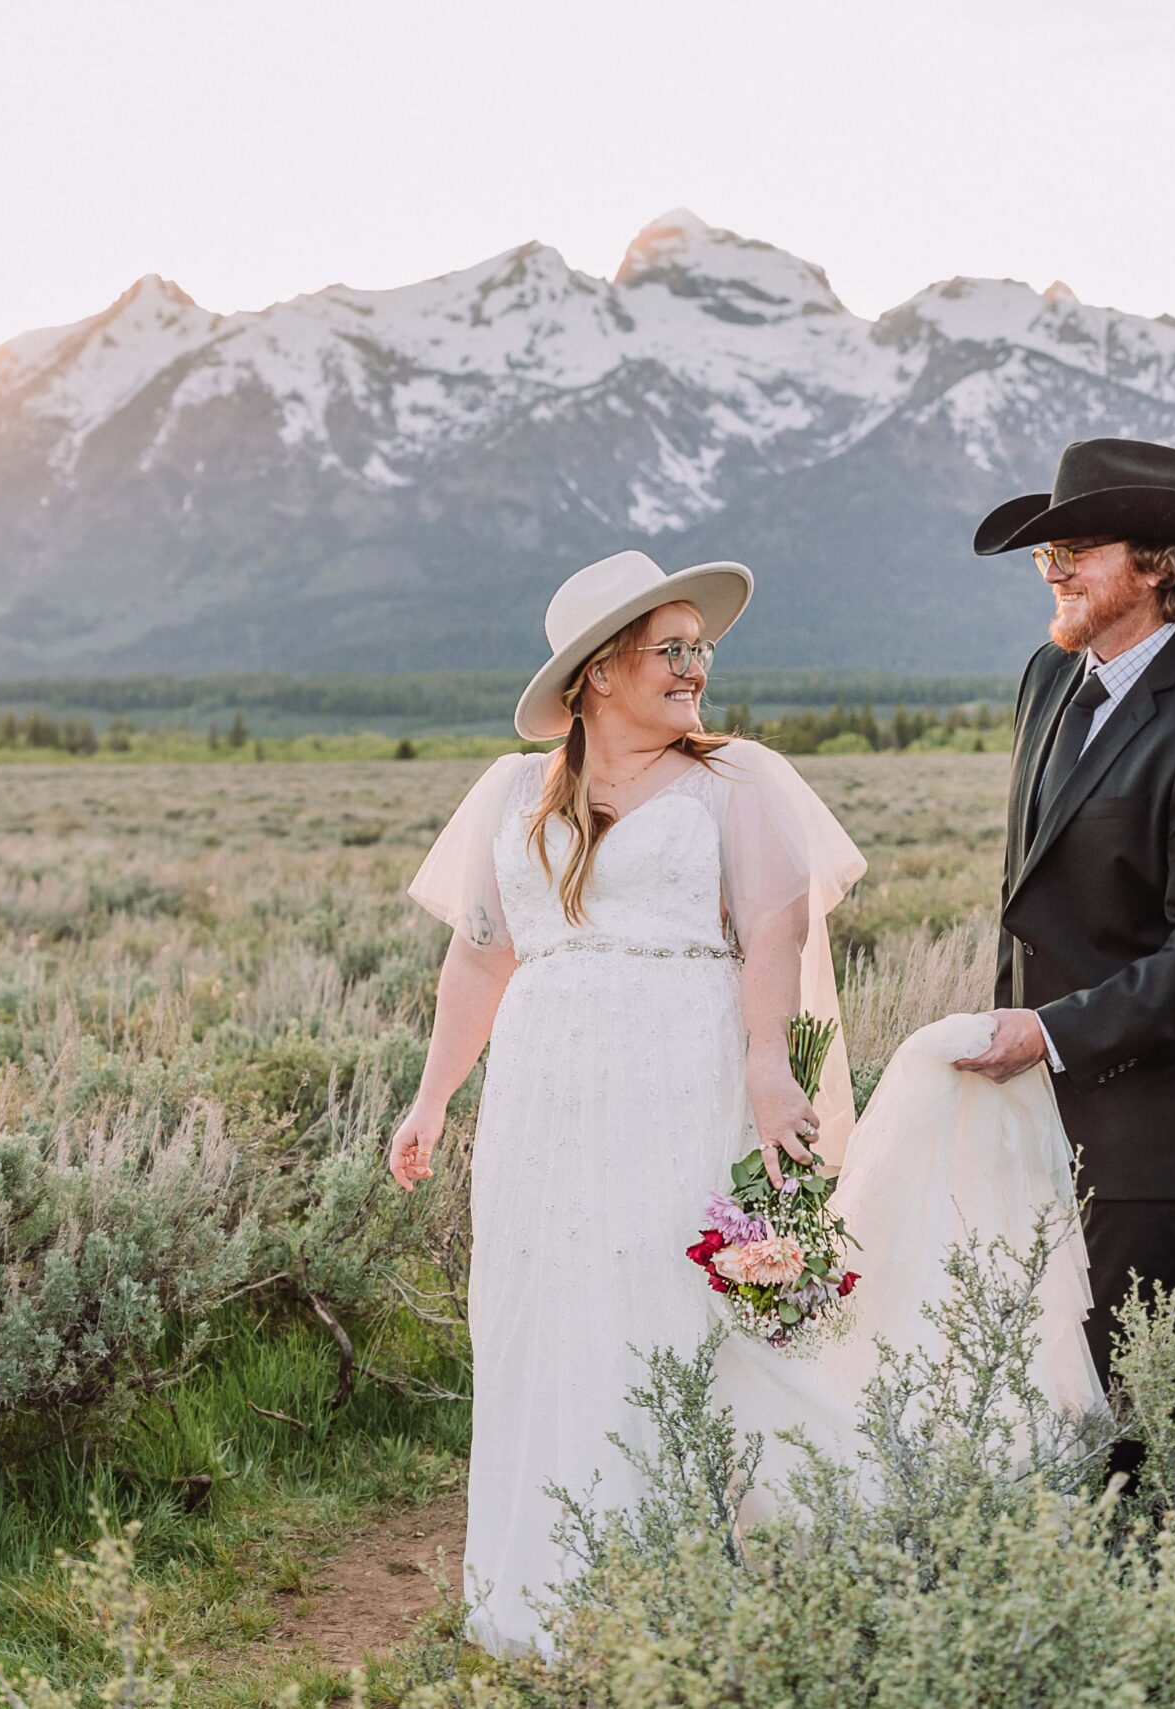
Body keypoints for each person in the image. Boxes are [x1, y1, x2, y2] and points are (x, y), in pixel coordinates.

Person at [386, 548, 862, 1656]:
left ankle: (684, 1581)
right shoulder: (510, 793)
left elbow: (775, 932)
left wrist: (765, 1063)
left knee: (662, 1297)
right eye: (672, 648)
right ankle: (542, 1586)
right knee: (543, 1300)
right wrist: (431, 1096)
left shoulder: (735, 781)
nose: (696, 667)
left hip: (677, 1069)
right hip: (547, 1085)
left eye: (700, 646)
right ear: (600, 670)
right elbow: (478, 957)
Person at [955, 437, 1175, 1397]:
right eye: (1047, 552)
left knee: (1145, 1391)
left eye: (1082, 546)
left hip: (1170, 1124)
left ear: (1158, 565)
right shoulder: (1048, 677)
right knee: (1061, 1373)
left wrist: (1048, 1034)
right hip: (1053, 1106)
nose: (1056, 567)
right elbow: (1031, 897)